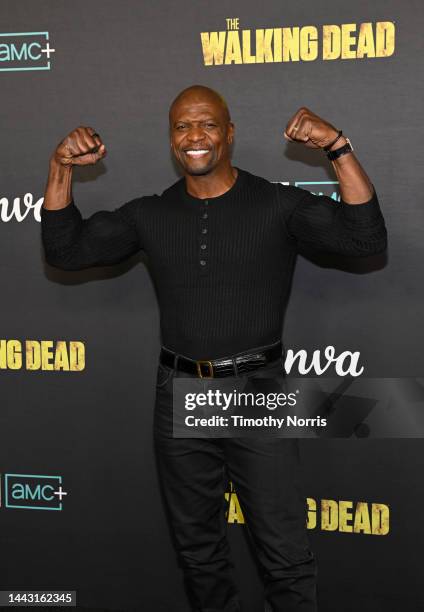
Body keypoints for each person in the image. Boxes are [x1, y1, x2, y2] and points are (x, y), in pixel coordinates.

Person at [41, 85, 387, 612]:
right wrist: (61, 166)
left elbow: (365, 239)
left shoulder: (277, 203)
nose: (194, 136)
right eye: (182, 126)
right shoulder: (149, 215)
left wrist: (337, 146)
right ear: (172, 139)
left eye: (206, 124)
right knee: (199, 554)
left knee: (285, 556)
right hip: (179, 391)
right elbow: (65, 250)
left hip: (255, 393)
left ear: (229, 134)